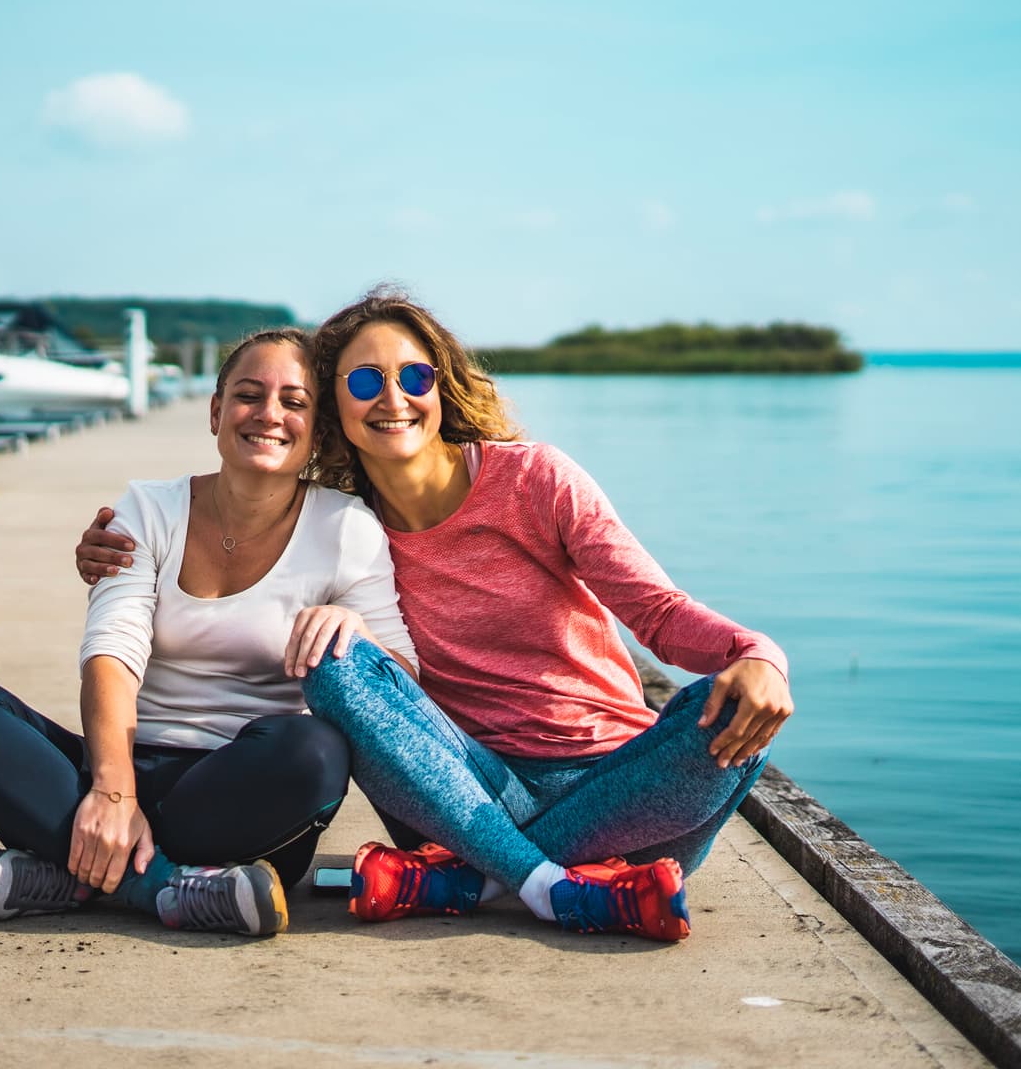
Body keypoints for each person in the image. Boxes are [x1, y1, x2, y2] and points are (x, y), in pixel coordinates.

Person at [77, 290, 793, 943]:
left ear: (442, 387)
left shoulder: (538, 480)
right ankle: (550, 884)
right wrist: (114, 550)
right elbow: (236, 527)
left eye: (413, 377)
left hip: (619, 792)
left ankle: (480, 879)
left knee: (731, 714)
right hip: (457, 785)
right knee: (336, 659)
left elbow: (659, 615)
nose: (393, 397)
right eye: (363, 382)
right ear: (335, 413)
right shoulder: (344, 528)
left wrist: (758, 654)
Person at [0, 328, 419, 937]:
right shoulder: (148, 509)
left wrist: (357, 631)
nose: (268, 415)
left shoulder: (347, 529)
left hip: (243, 790)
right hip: (115, 765)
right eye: (249, 395)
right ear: (215, 411)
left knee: (316, 753)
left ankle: (71, 877)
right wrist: (113, 793)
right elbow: (112, 652)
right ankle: (168, 889)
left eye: (294, 402)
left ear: (317, 428)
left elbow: (403, 680)